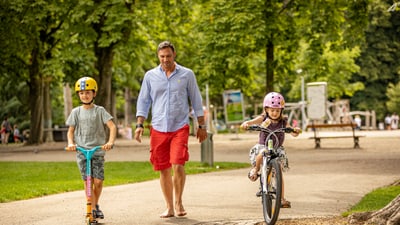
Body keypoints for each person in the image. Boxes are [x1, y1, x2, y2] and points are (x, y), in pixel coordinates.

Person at [134, 41, 207, 218]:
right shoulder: (150, 76)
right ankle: (169, 207)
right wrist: (139, 125)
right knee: (163, 168)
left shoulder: (187, 74)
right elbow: (143, 101)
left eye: (168, 56)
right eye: (162, 56)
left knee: (178, 163)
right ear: (158, 57)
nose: (165, 59)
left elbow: (196, 100)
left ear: (174, 55)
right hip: (158, 128)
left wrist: (201, 125)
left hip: (179, 127)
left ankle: (178, 202)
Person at [66, 77, 116, 220]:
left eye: (88, 92)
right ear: (78, 95)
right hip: (82, 152)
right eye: (81, 93)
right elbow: (70, 131)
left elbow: (112, 127)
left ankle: (95, 205)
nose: (84, 95)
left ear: (94, 94)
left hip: (97, 151)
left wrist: (110, 142)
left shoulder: (100, 111)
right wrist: (71, 143)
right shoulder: (76, 112)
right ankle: (92, 209)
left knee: (98, 182)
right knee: (88, 181)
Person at [240, 92, 301, 208]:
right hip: (264, 146)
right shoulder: (264, 118)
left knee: (279, 173)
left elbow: (290, 130)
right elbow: (255, 121)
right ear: (266, 109)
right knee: (261, 153)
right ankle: (256, 169)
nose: (274, 113)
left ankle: (282, 199)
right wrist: (247, 123)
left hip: (277, 149)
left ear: (281, 111)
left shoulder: (283, 121)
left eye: (277, 110)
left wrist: (294, 131)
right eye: (272, 110)